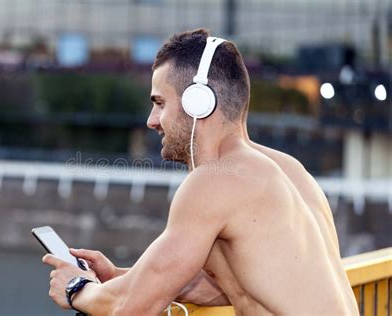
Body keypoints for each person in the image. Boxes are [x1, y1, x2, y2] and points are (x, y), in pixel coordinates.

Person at [42, 29, 359, 315]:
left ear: (198, 102)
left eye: (160, 103)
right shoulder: (290, 170)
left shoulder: (216, 180)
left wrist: (76, 289)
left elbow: (130, 308)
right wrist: (117, 279)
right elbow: (222, 286)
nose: (152, 120)